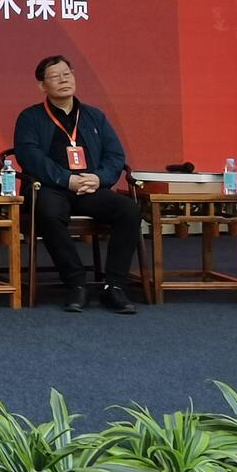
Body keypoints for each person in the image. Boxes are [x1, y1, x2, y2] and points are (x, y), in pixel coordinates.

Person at [14, 54, 140, 314]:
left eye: (67, 74)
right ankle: (76, 283)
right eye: (55, 76)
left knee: (128, 209)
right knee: (48, 212)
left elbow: (115, 155)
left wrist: (99, 178)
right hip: (50, 187)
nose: (63, 80)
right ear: (42, 86)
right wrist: (67, 179)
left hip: (89, 187)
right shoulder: (30, 117)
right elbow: (30, 156)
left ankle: (114, 286)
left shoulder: (95, 116)